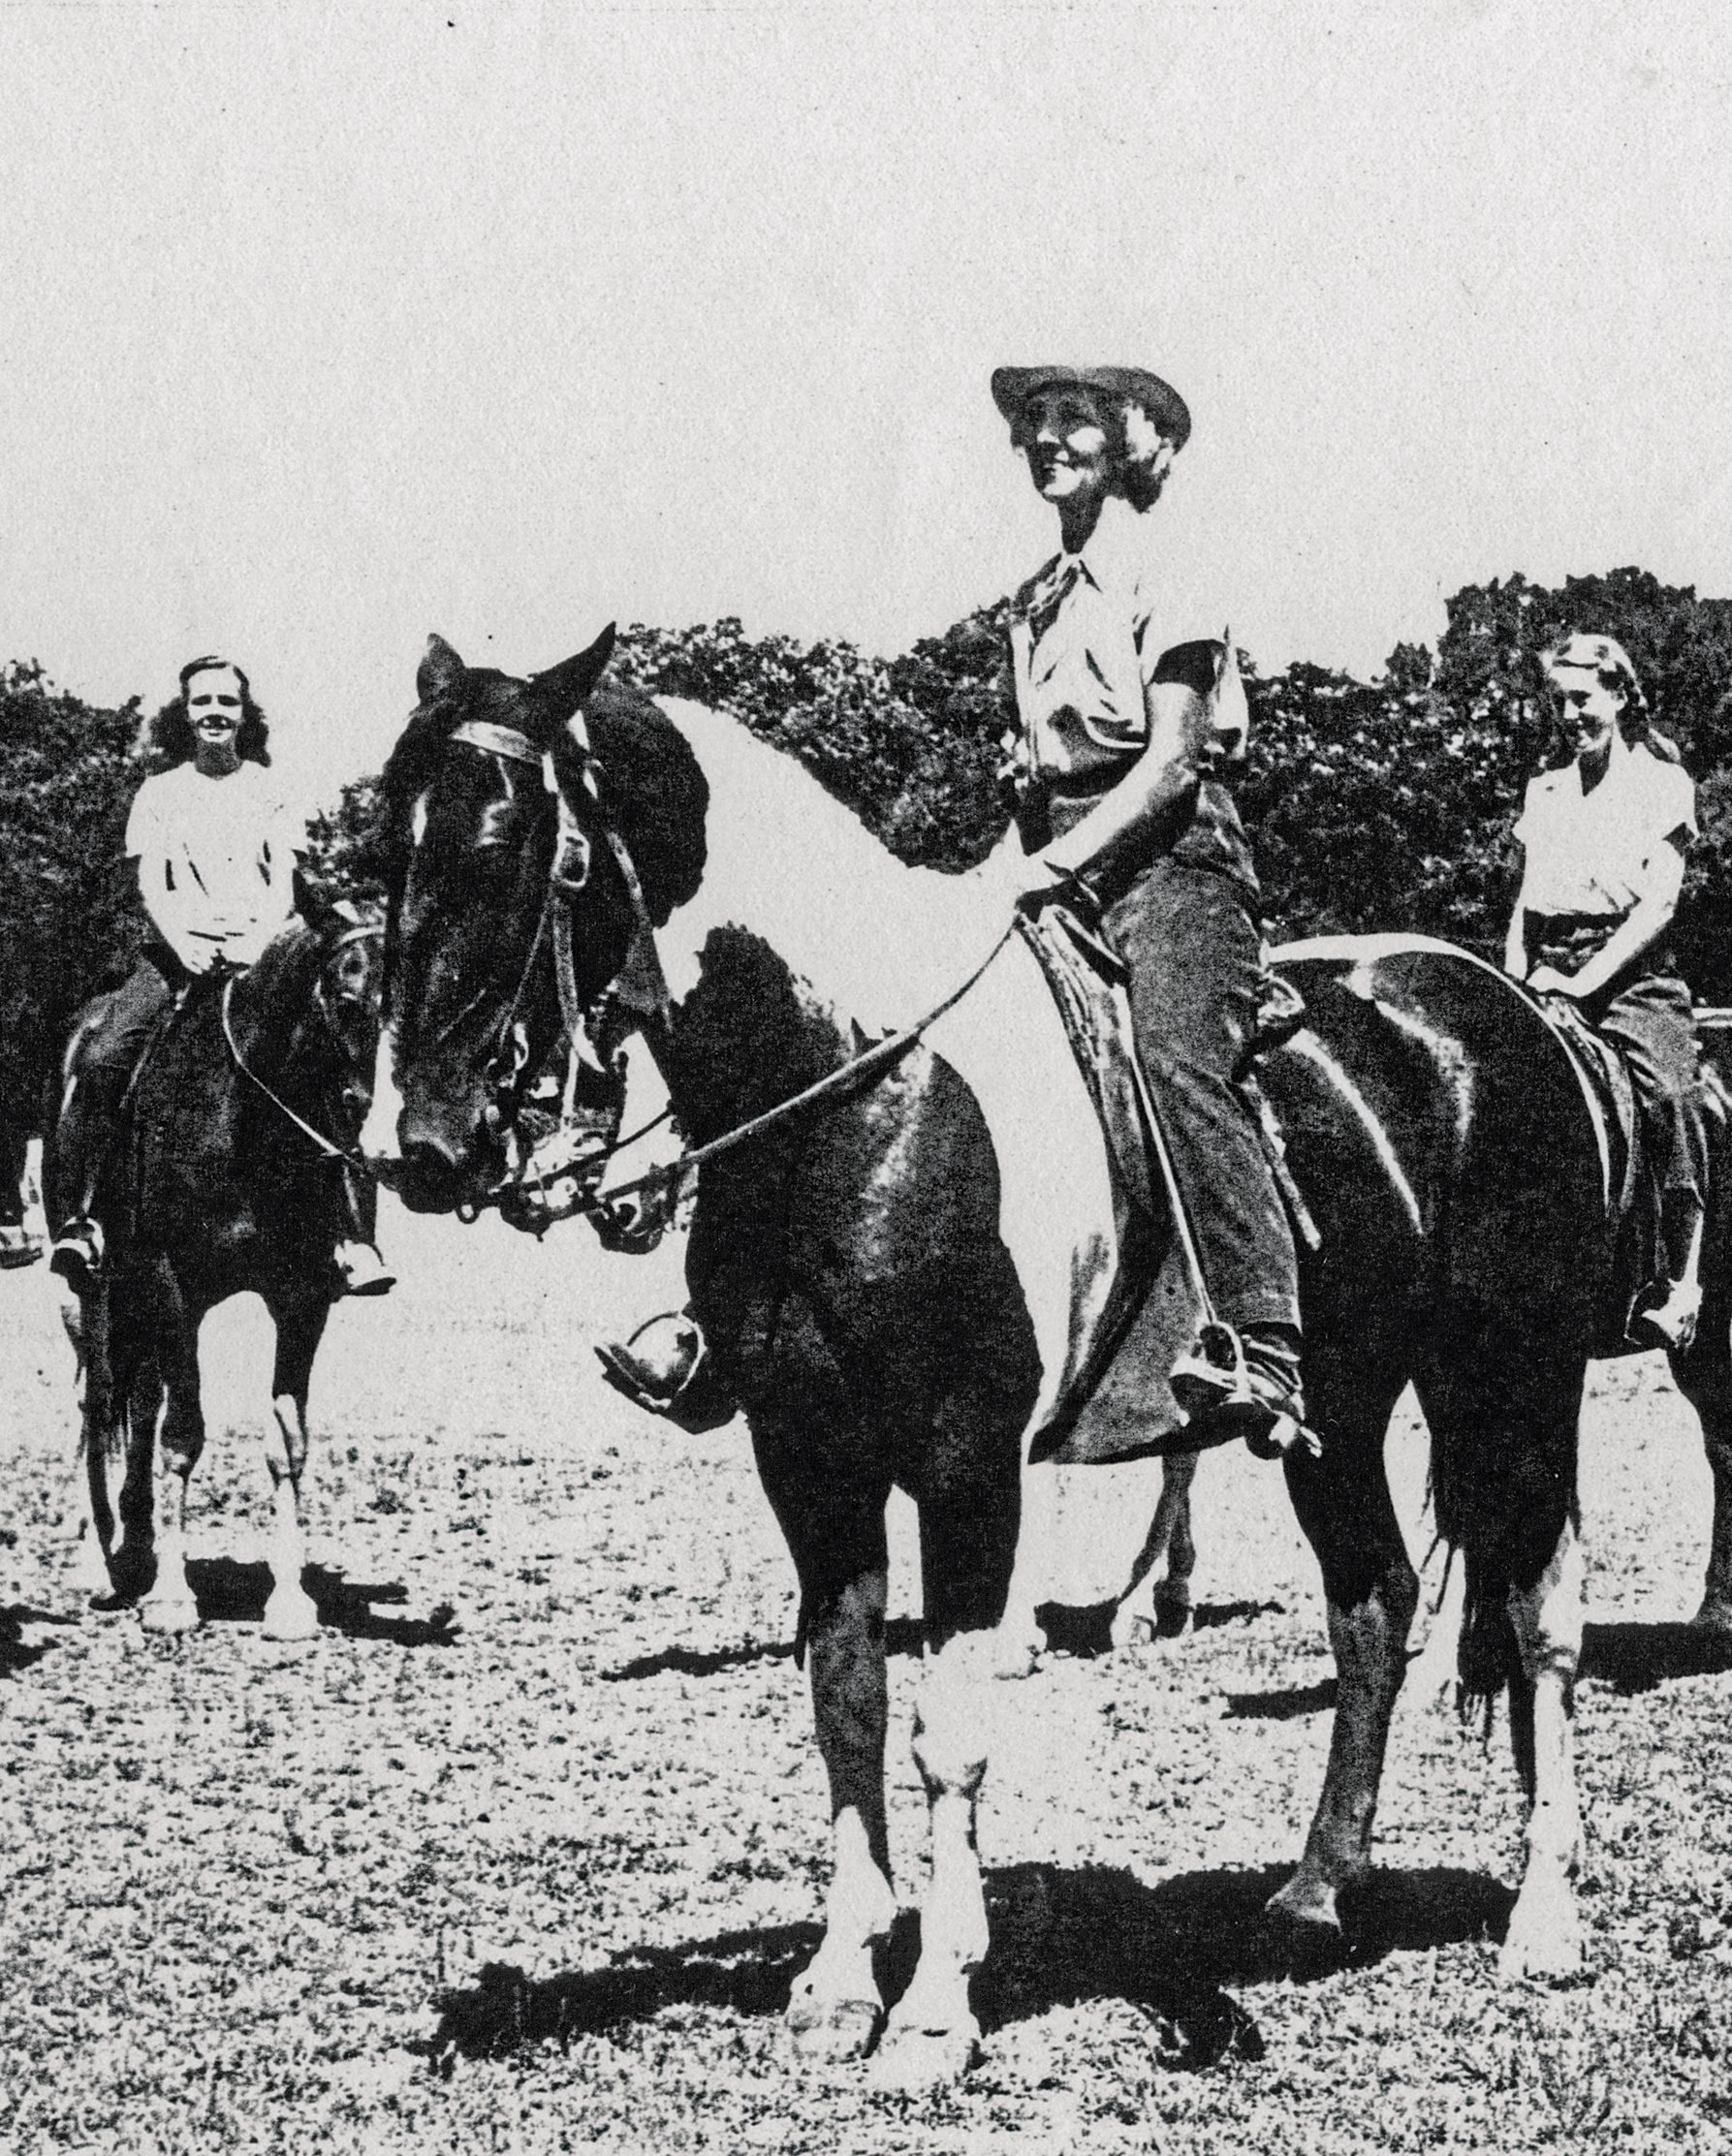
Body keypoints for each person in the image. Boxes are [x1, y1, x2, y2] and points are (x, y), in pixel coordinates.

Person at [601, 363, 1306, 1454]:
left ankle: (1260, 1338)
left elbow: (1167, 764)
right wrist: (1001, 863)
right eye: (1033, 423)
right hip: (1047, 850)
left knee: (1171, 1056)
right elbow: (1039, 775)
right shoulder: (1037, 596)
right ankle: (732, 1323)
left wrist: (1049, 865)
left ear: (1124, 440)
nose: (1046, 439)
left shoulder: (1168, 565)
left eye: (1070, 418)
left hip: (1172, 866)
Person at [47, 655, 393, 1298]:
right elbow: (151, 882)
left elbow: (284, 878)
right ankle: (83, 1219)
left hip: (259, 953)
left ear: (243, 712)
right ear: (186, 712)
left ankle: (352, 1238)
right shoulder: (160, 792)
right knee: (101, 1058)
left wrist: (256, 940)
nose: (213, 712)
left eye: (226, 702)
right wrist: (185, 941)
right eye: (201, 701)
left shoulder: (271, 788)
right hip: (175, 958)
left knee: (333, 1067)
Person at [1505, 632, 1707, 1350]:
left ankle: (1680, 1281)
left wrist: (1580, 983)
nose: (1568, 713)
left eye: (1581, 697)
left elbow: (1656, 908)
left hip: (1631, 974)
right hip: (1548, 965)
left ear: (1619, 696)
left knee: (1670, 1094)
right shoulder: (1544, 788)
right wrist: (1516, 975)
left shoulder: (1662, 784)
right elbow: (1524, 905)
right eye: (1557, 700)